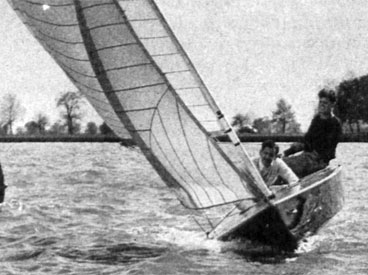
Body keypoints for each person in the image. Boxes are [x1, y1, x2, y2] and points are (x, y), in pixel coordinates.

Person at [283, 89, 342, 178]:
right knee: (280, 161)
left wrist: (309, 152)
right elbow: (306, 140)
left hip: (320, 162)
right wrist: (287, 152)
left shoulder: (335, 123)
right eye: (320, 102)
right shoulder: (316, 120)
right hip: (308, 158)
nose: (321, 105)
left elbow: (327, 148)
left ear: (332, 105)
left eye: (325, 103)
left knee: (283, 166)